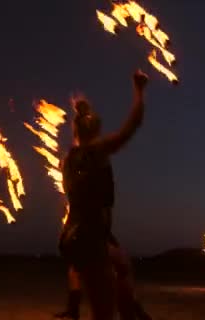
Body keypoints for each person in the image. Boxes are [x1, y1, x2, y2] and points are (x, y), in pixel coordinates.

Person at [58, 70, 148, 320]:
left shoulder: (71, 157)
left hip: (86, 234)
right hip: (87, 237)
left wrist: (81, 110)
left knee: (122, 264)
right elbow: (133, 125)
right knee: (103, 313)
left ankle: (130, 309)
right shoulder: (97, 151)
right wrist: (139, 90)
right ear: (95, 130)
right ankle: (125, 310)